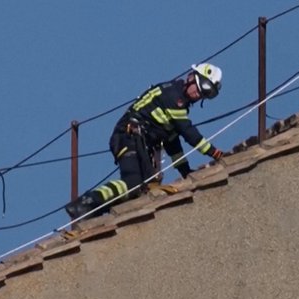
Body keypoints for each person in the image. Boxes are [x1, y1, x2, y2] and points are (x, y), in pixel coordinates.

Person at [65, 63, 225, 220]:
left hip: (138, 142)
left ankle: (95, 212)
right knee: (133, 183)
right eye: (202, 87)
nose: (200, 94)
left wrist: (185, 171)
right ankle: (86, 203)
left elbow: (172, 143)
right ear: (191, 77)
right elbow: (189, 133)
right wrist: (215, 153)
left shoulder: (177, 103)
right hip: (128, 137)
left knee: (143, 190)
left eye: (207, 93)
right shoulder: (174, 97)